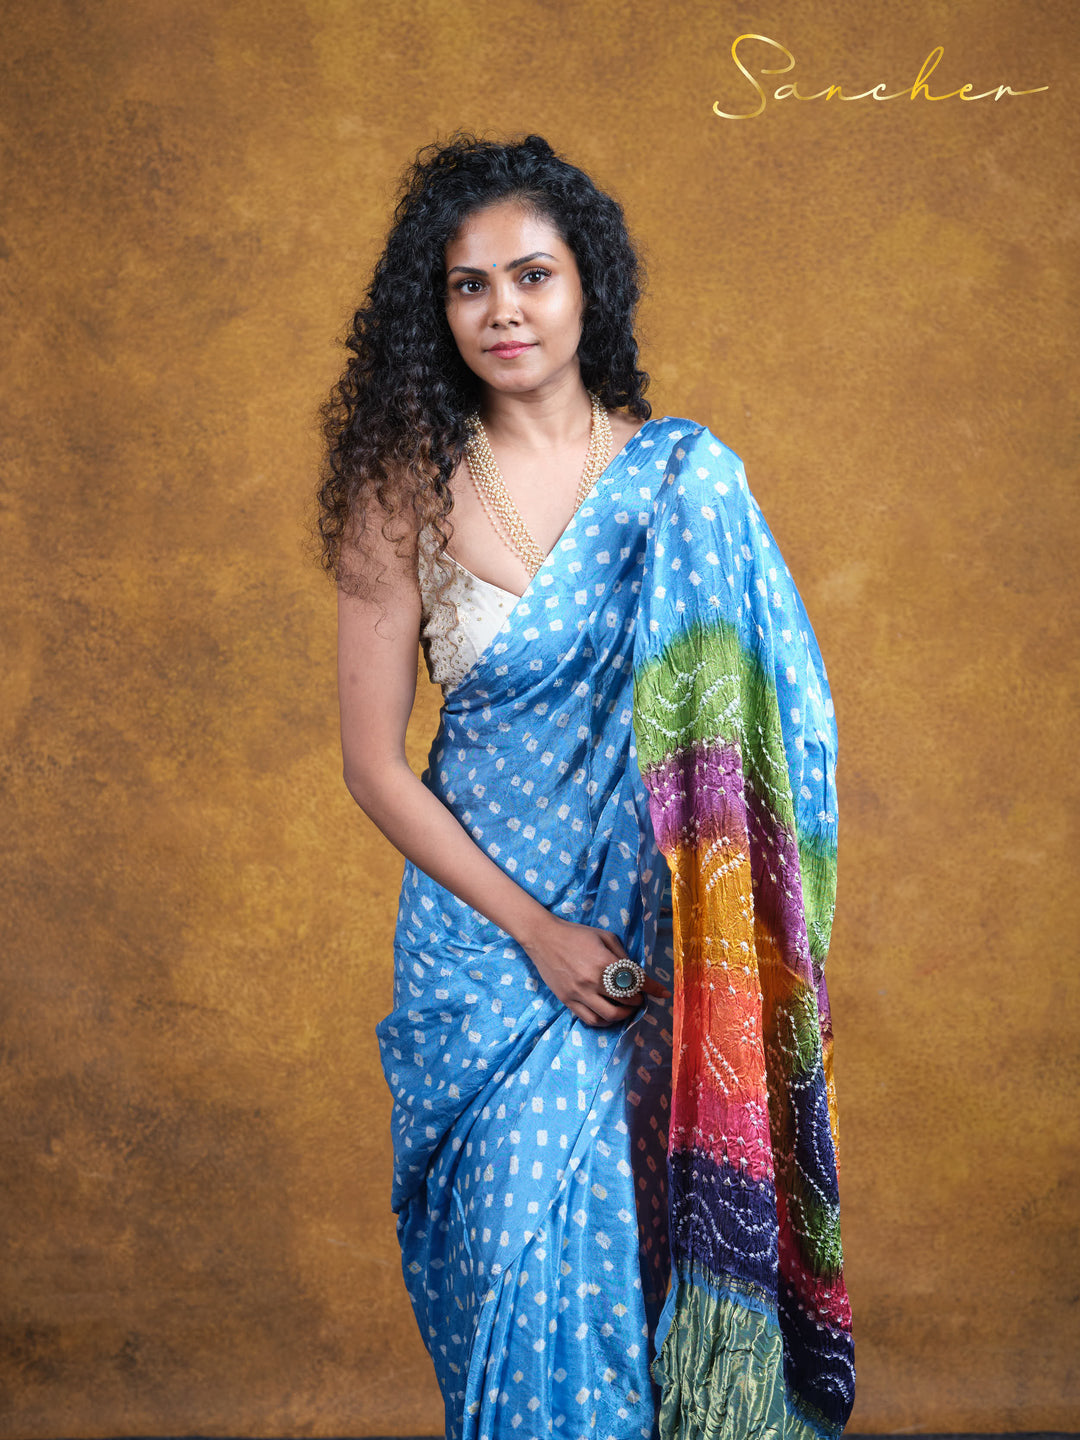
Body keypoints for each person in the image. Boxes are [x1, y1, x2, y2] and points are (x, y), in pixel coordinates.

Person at [317, 132, 854, 1440]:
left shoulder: (685, 483)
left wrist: (736, 948)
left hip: (661, 952)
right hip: (486, 952)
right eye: (467, 285)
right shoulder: (404, 488)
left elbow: (780, 735)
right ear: (432, 311)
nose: (502, 309)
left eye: (533, 276)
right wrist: (537, 933)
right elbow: (374, 764)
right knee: (514, 1275)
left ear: (588, 289)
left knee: (644, 1293)